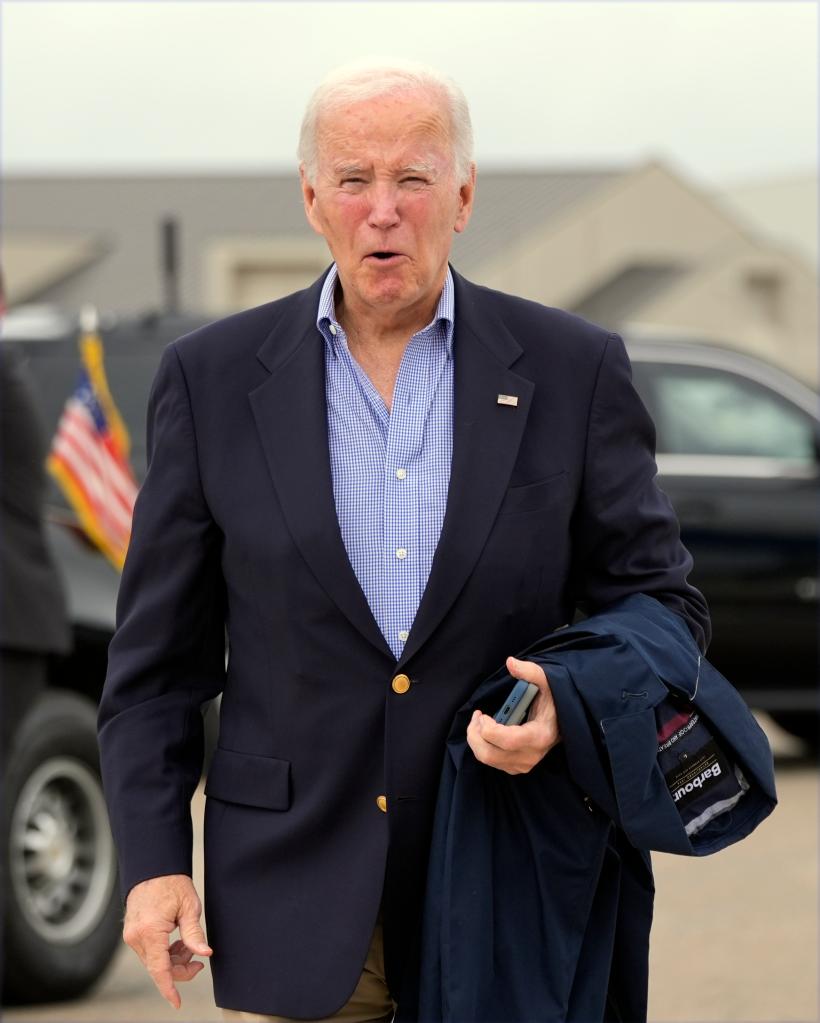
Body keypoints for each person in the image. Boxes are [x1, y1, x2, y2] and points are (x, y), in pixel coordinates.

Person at [98, 61, 709, 1023]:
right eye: (353, 179)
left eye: (414, 179)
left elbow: (661, 608)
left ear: (463, 196)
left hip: (516, 869)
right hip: (294, 886)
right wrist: (156, 863)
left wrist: (569, 704)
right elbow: (157, 668)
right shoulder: (209, 380)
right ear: (312, 199)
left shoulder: (573, 368)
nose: (383, 210)